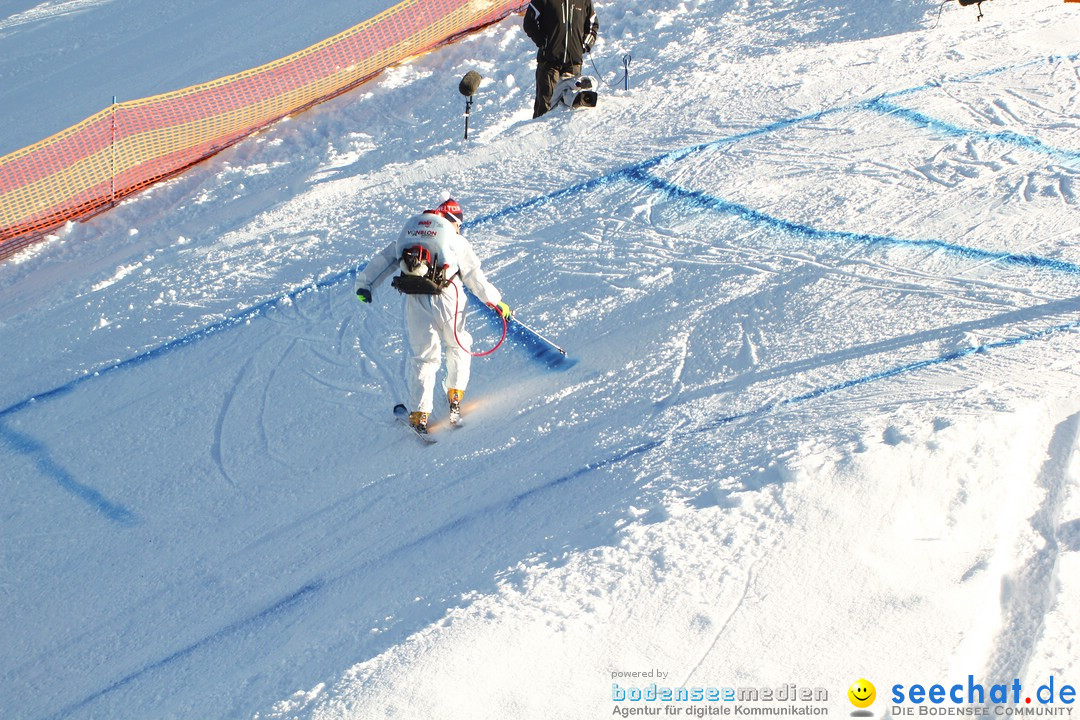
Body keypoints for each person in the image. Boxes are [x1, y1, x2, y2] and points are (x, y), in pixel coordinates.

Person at [355, 199, 512, 434]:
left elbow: (384, 260)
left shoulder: (410, 233)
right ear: (454, 220)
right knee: (458, 344)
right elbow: (472, 274)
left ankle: (419, 414)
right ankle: (455, 396)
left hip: (416, 299)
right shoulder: (453, 237)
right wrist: (495, 301)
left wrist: (364, 286)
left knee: (424, 357)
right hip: (449, 296)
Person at [523, 0, 599, 118]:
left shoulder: (584, 1)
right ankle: (538, 134)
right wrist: (543, 42)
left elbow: (593, 25)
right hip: (549, 62)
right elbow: (529, 22)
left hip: (573, 63)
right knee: (545, 106)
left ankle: (564, 136)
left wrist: (584, 45)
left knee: (570, 104)